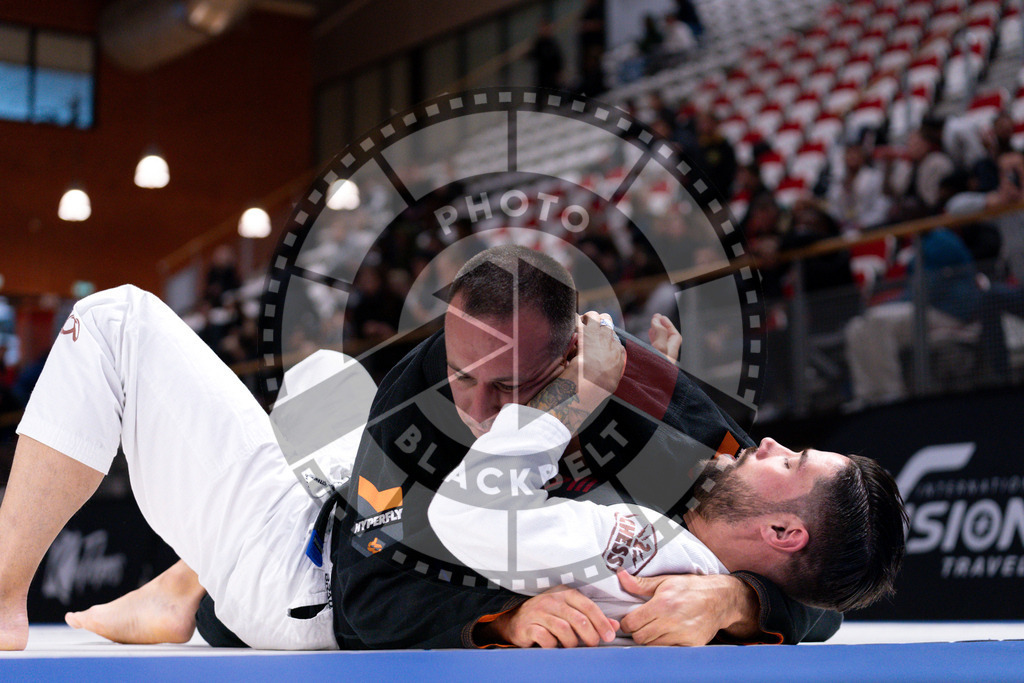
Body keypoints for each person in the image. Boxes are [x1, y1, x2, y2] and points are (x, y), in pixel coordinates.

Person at [0, 246, 887, 650]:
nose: (771, 443)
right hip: (332, 546)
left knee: (116, 321)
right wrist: (506, 613)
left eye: (791, 461)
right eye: (469, 379)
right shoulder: (425, 399)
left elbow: (831, 577)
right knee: (322, 379)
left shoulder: (673, 454)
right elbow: (373, 582)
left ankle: (31, 599)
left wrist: (736, 598)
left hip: (310, 582)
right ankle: (184, 581)